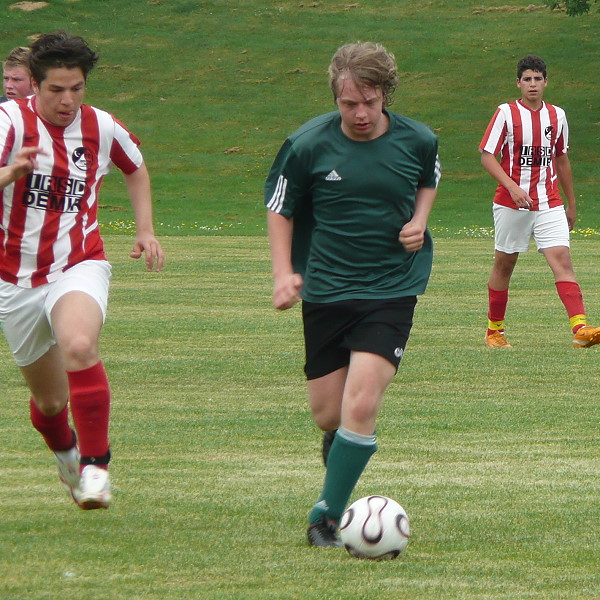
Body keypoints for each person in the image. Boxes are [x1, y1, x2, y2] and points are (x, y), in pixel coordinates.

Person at [265, 42, 441, 547]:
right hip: (326, 289)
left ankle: (326, 515)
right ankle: (338, 443)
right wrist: (283, 272)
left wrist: (419, 220)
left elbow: (429, 177)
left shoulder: (419, 139)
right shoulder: (307, 145)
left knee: (361, 404)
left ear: (385, 93)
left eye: (369, 100)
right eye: (348, 103)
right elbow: (280, 207)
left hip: (392, 287)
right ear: (335, 99)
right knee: (329, 413)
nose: (360, 113)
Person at [0, 31, 165, 510]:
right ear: (34, 84)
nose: (67, 100)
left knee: (78, 343)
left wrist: (146, 229)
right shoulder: (9, 124)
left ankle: (97, 468)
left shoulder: (101, 126)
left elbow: (135, 167)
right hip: (14, 279)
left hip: (78, 262)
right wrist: (9, 174)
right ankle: (68, 454)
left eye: (76, 88)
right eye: (55, 89)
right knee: (50, 405)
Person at [480, 54, 600, 349]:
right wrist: (511, 187)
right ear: (518, 83)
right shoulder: (506, 113)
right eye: (526, 79)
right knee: (505, 263)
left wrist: (571, 204)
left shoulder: (557, 115)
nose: (532, 84)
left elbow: (561, 159)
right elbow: (487, 155)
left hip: (549, 202)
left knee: (561, 259)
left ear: (546, 82)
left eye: (537, 79)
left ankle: (580, 328)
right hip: (511, 204)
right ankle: (494, 331)